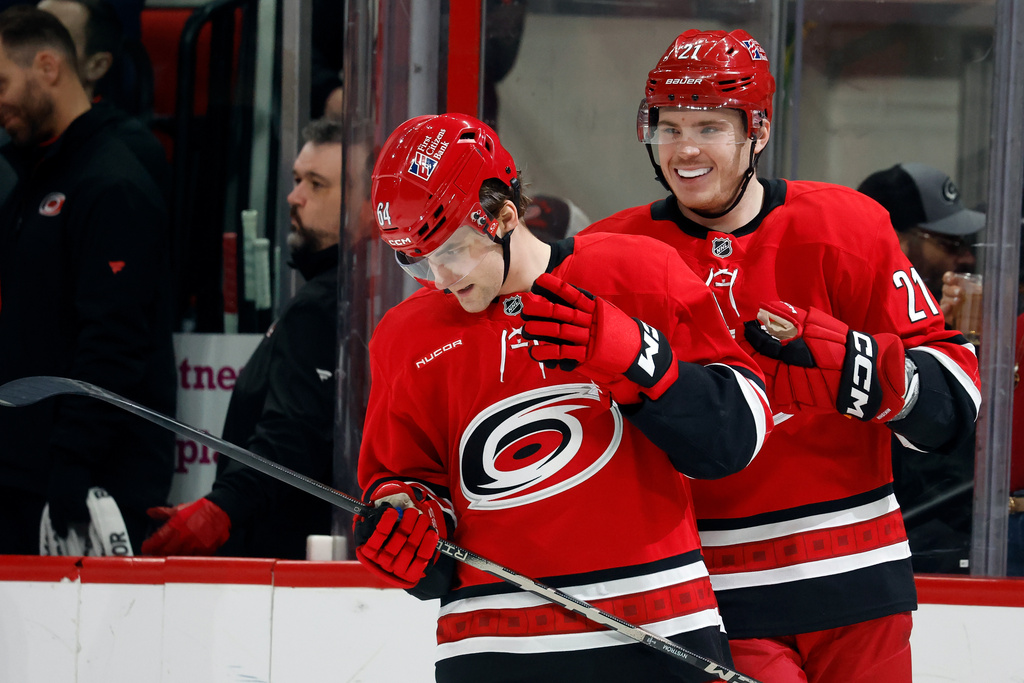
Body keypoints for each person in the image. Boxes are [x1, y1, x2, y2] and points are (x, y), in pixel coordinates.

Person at [583, 29, 981, 683]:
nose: (685, 148)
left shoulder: (847, 226)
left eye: (709, 126)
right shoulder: (608, 254)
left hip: (862, 590)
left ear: (758, 131)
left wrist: (878, 378)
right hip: (707, 596)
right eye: (669, 126)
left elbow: (958, 399)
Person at [354, 112, 774, 682]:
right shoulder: (404, 338)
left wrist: (638, 359)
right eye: (416, 260)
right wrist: (406, 526)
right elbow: (404, 478)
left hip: (657, 637)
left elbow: (740, 436)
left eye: (450, 250)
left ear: (503, 215)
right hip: (491, 652)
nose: (440, 278)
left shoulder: (636, 272)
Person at [0, 6, 175, 555]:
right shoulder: (34, 177)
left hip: (87, 484)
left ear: (47, 66)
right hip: (27, 469)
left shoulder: (113, 180)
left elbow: (113, 343)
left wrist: (73, 471)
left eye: (2, 81)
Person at [141, 118, 342, 560]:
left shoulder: (323, 306)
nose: (294, 196)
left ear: (367, 205)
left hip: (293, 562)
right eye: (295, 180)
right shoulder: (330, 297)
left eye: (317, 184)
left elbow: (293, 433)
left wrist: (225, 506)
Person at [857, 162, 982, 574]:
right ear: (894, 240)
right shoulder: (848, 319)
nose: (964, 257)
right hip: (906, 539)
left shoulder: (945, 320)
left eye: (967, 243)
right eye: (948, 242)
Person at [38, 0, 170, 197]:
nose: (25, 54)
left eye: (52, 42)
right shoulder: (12, 134)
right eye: (21, 38)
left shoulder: (127, 152)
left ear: (97, 65)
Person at [857, 162, 983, 305]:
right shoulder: (845, 316)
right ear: (894, 241)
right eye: (950, 244)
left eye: (964, 241)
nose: (968, 258)